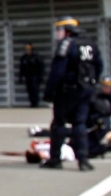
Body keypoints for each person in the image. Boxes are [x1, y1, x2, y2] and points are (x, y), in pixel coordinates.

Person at [41, 17, 99, 171]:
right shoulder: (90, 44)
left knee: (59, 124)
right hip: (86, 89)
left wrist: (49, 92)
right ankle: (83, 160)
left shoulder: (66, 44)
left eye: (59, 30)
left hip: (68, 90)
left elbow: (57, 71)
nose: (58, 34)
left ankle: (55, 159)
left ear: (66, 30)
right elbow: (99, 66)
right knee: (79, 124)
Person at [15, 42, 44, 108]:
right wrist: (20, 77)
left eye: (29, 49)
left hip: (35, 76)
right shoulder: (24, 58)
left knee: (35, 90)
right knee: (29, 90)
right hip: (28, 76)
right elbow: (21, 68)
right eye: (26, 49)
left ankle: (35, 103)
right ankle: (32, 102)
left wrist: (41, 76)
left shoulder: (36, 57)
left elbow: (41, 67)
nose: (28, 51)